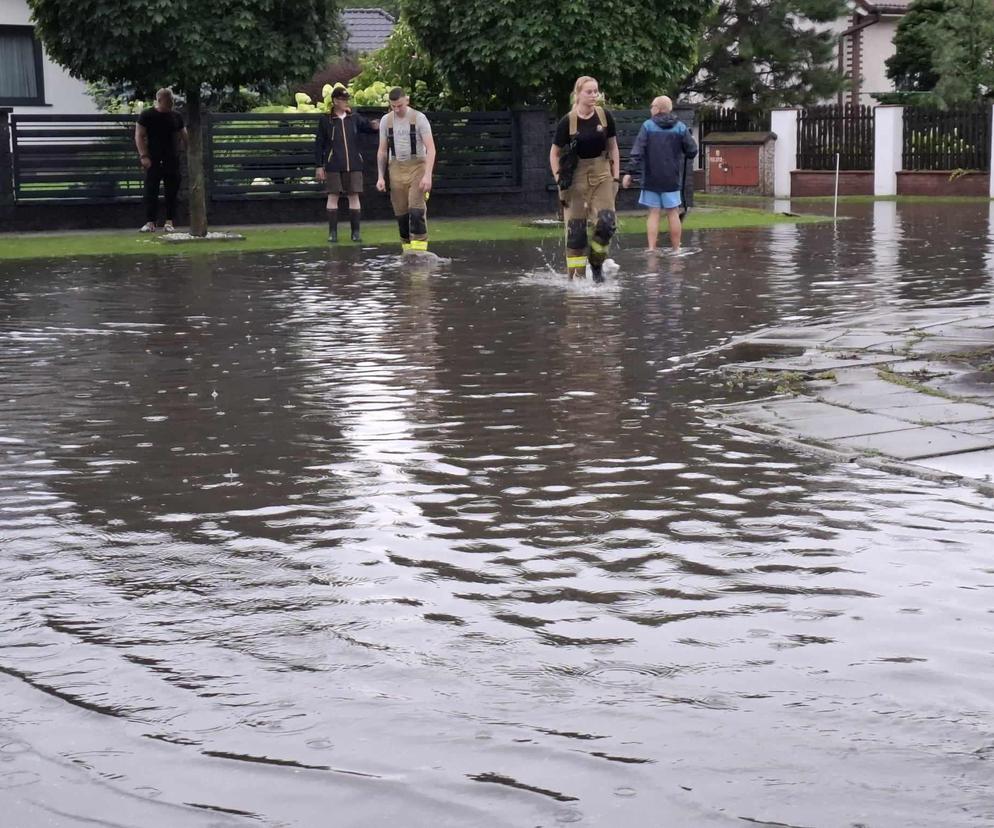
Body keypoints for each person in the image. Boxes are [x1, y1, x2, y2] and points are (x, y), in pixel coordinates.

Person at [549, 75, 620, 282]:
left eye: (596, 91)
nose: (593, 95)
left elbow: (613, 147)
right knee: (576, 232)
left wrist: (615, 178)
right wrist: (559, 179)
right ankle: (576, 279)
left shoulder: (605, 117)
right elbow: (554, 153)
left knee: (606, 223)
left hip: (602, 172)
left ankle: (597, 263)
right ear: (578, 94)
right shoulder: (567, 122)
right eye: (589, 92)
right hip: (575, 176)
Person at [622, 95, 697, 252]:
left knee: (653, 213)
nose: (651, 109)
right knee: (673, 213)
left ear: (658, 108)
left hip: (651, 178)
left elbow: (638, 150)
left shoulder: (648, 126)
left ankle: (651, 248)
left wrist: (629, 171)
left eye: (652, 106)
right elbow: (692, 150)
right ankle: (676, 248)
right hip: (671, 178)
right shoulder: (680, 127)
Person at [314, 87, 379, 243]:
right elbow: (319, 144)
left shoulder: (354, 118)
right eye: (342, 100)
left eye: (346, 100)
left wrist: (375, 125)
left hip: (354, 163)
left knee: (354, 195)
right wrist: (319, 165)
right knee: (333, 195)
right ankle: (333, 233)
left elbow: (369, 127)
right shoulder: (326, 120)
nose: (345, 102)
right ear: (335, 101)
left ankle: (355, 233)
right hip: (333, 164)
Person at [376, 87, 436, 253]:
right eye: (393, 106)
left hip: (418, 166)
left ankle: (420, 252)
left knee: (416, 210)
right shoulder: (385, 121)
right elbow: (382, 151)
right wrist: (380, 177)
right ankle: (407, 251)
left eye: (400, 105)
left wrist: (427, 176)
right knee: (401, 214)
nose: (397, 109)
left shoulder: (419, 118)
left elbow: (431, 149)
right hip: (395, 168)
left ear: (407, 101)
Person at [135, 88, 188, 233]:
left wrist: (185, 149)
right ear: (159, 100)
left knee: (172, 190)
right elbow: (139, 135)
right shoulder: (147, 115)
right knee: (151, 190)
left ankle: (169, 221)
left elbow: (184, 134)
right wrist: (143, 156)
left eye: (172, 100)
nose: (171, 103)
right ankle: (150, 222)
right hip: (153, 158)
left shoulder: (176, 116)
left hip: (172, 158)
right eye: (168, 100)